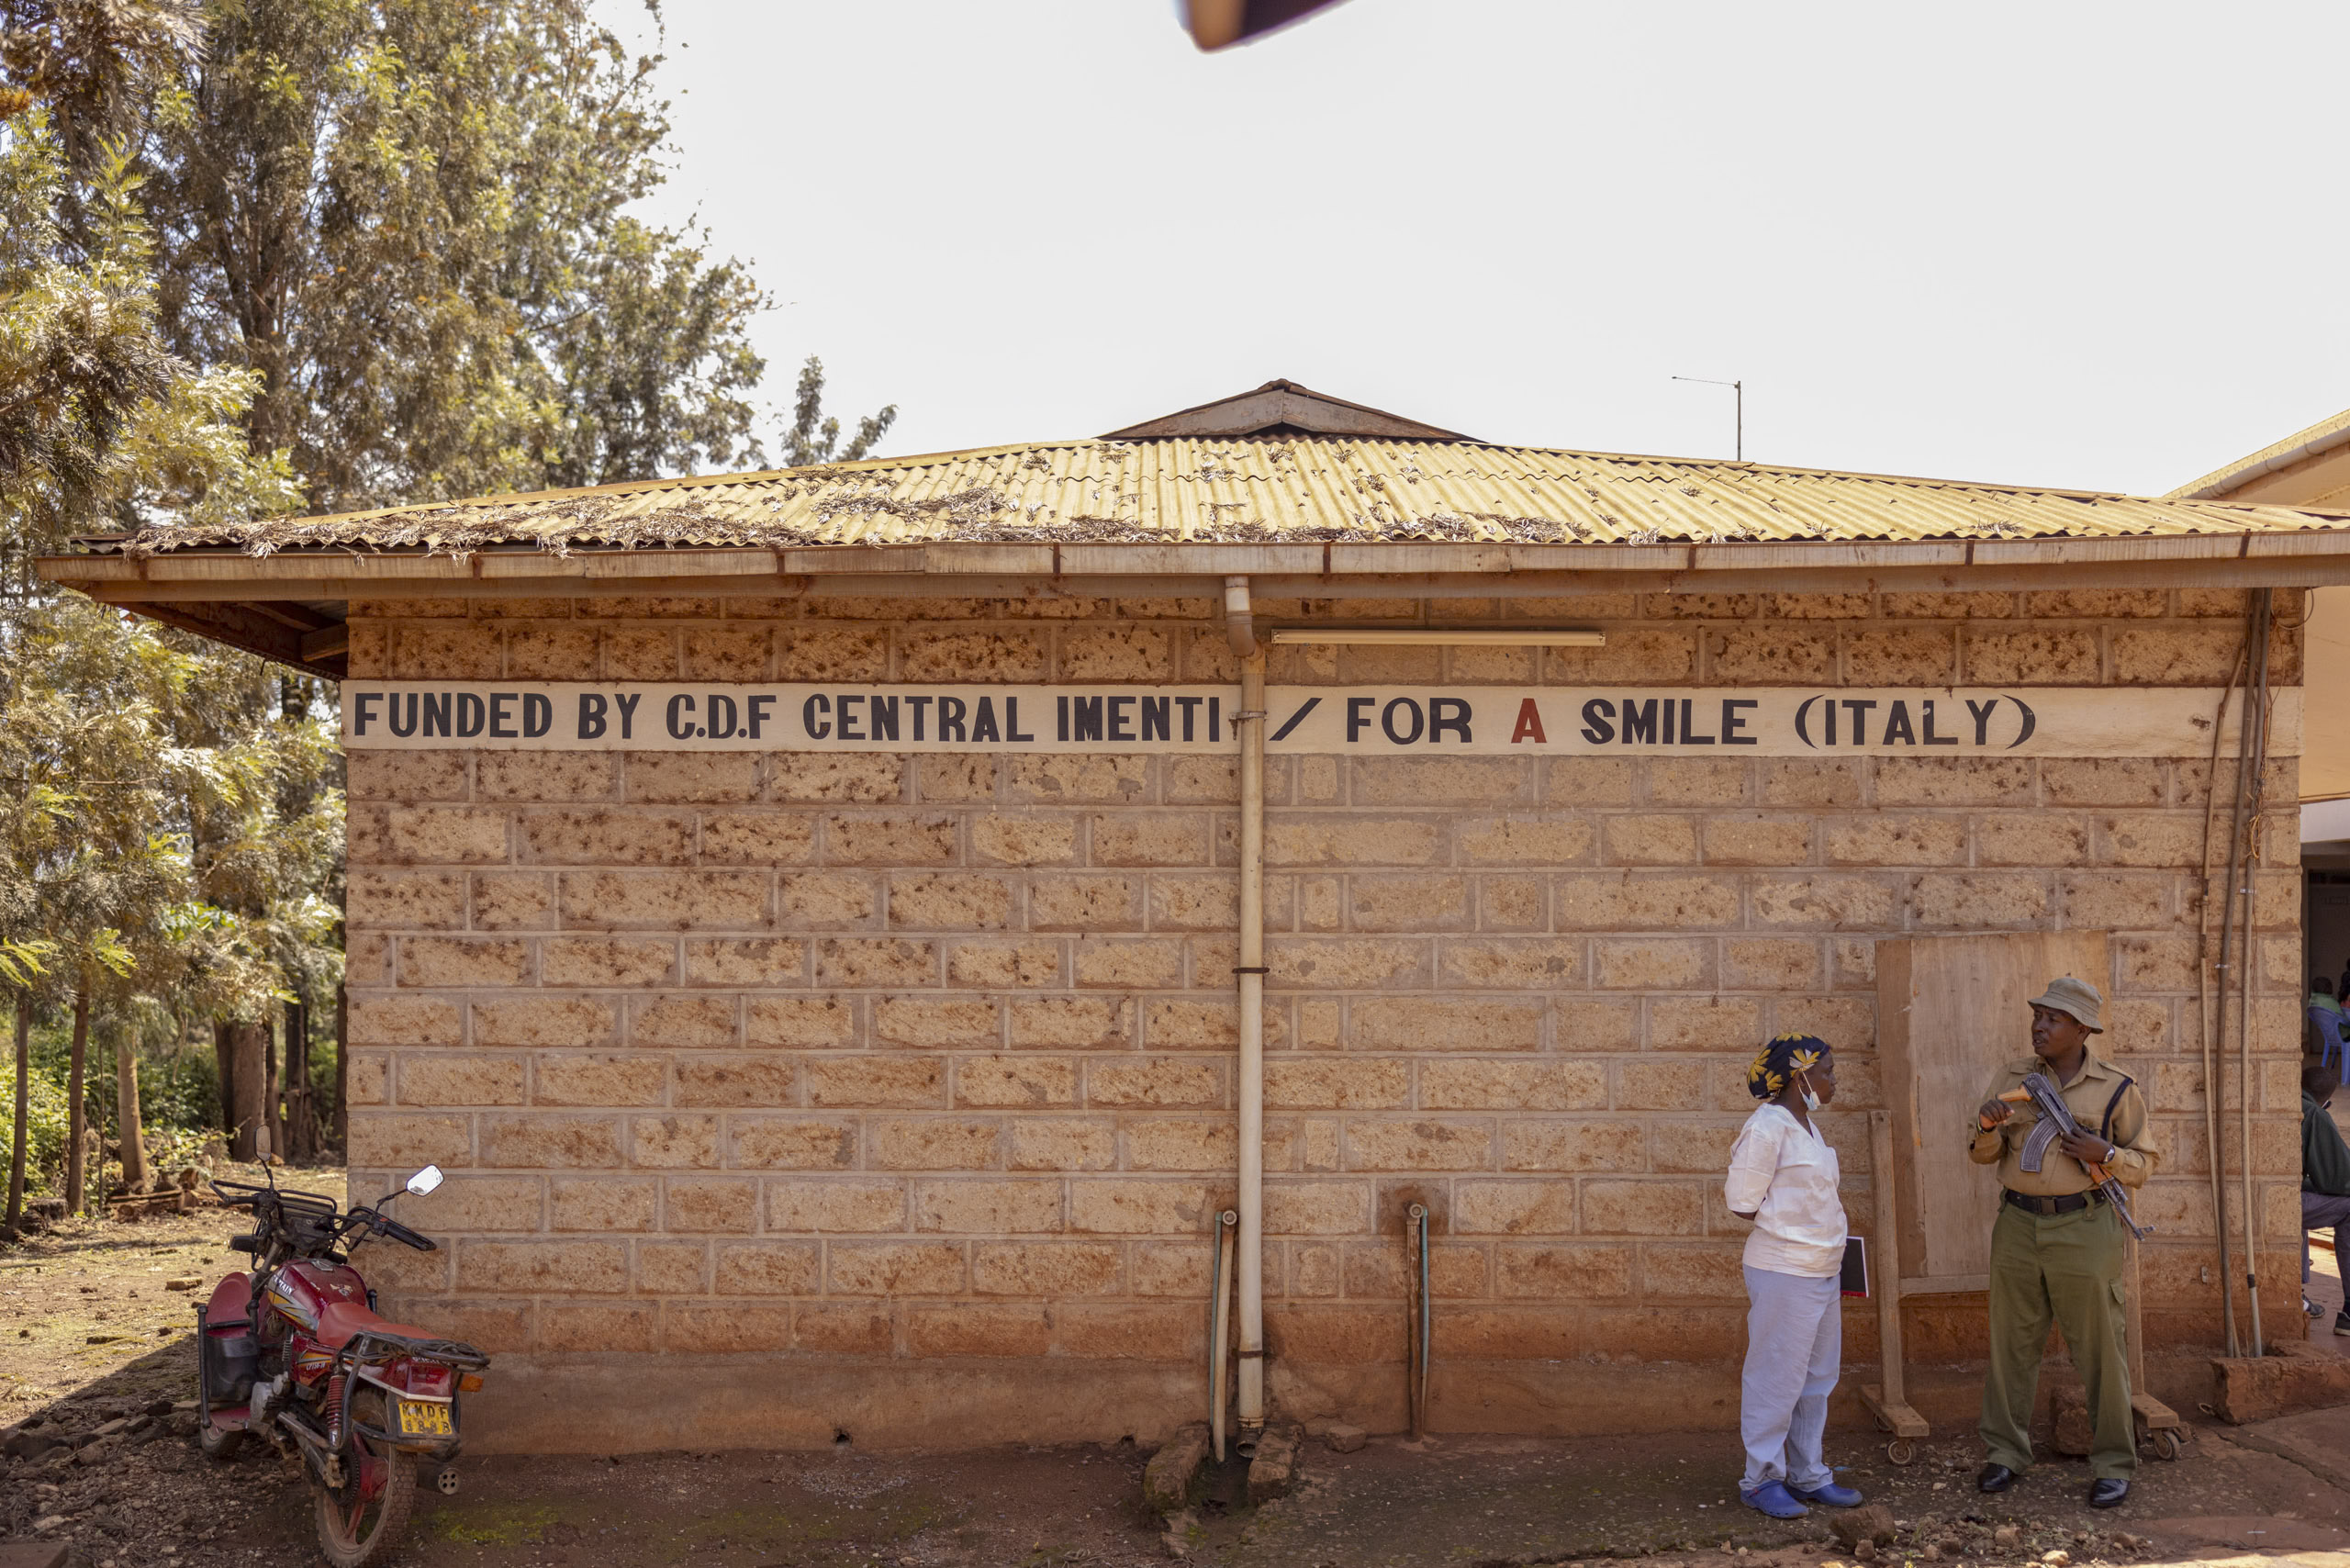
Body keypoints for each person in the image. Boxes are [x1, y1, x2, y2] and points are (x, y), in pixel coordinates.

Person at [1969, 977, 2157, 1509]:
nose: (2040, 1026)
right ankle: (2005, 1454)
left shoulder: (2117, 1087)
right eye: (2037, 1016)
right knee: (2011, 1346)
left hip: (2084, 1225)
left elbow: (2146, 1163)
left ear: (2081, 1029)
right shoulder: (2014, 1078)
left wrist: (2108, 1153)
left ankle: (2115, 1463)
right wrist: (1985, 1126)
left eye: (2053, 1019)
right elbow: (1984, 1156)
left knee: (2099, 1349)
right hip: (2018, 1225)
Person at [1724, 1033, 1863, 1519]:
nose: (1833, 1079)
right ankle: (1761, 1479)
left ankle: (1807, 1473)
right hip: (1784, 1270)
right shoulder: (1768, 1128)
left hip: (1821, 1270)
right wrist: (1791, 1230)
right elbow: (1742, 1202)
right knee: (1776, 1378)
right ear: (1800, 1077)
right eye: (1826, 1071)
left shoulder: (1805, 1126)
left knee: (1816, 1379)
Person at [2300, 1056, 2350, 1331]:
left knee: (2299, 1208)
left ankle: (2298, 1294)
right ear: (2325, 1099)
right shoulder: (2314, 1113)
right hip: (2282, 1203)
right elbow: (2340, 1179)